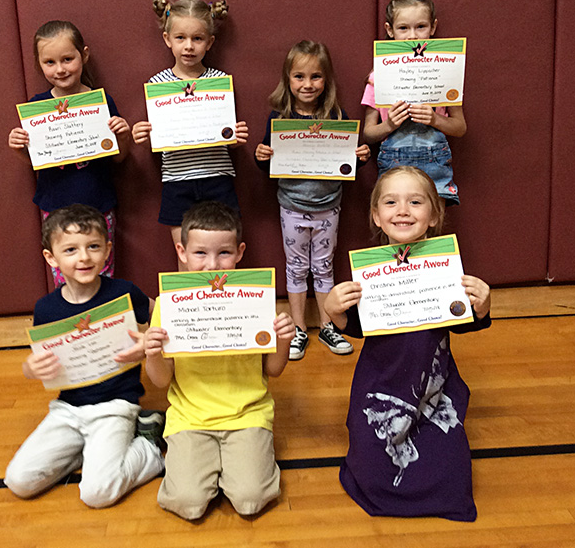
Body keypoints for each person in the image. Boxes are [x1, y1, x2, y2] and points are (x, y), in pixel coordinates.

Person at [324, 166, 491, 521]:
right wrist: (334, 310)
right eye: (391, 202)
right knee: (371, 466)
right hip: (380, 388)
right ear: (376, 216)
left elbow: (463, 324)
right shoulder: (369, 273)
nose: (403, 210)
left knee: (451, 469)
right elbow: (357, 327)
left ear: (433, 215)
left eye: (415, 202)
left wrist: (481, 305)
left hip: (434, 392)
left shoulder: (445, 268)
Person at [138, 201, 296, 520]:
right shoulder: (168, 306)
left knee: (251, 499)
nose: (212, 265)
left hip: (247, 414)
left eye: (224, 253)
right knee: (187, 503)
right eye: (200, 253)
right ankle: (198, 459)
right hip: (190, 417)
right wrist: (151, 352)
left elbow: (273, 371)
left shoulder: (256, 300)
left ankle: (237, 462)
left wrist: (283, 341)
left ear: (239, 252)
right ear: (181, 251)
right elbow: (161, 381)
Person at [4, 204, 164, 508]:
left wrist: (149, 343)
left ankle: (148, 444)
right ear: (52, 258)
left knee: (97, 494)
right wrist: (29, 369)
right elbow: (39, 363)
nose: (84, 257)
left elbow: (163, 315)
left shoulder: (124, 292)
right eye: (71, 250)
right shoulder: (46, 309)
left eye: (93, 247)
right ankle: (90, 450)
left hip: (116, 405)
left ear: (107, 250)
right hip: (68, 409)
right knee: (19, 481)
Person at [254, 40, 371, 360]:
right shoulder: (280, 117)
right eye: (299, 77)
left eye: (316, 77)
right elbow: (268, 163)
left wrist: (360, 157)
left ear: (327, 80)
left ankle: (328, 325)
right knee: (295, 267)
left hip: (328, 205)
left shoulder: (337, 116)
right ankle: (298, 329)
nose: (307, 84)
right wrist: (261, 155)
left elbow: (348, 162)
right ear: (288, 79)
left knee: (323, 266)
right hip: (292, 206)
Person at [8, 21, 131, 286]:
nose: (60, 69)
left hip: (97, 204)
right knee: (64, 273)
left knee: (101, 271)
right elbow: (35, 162)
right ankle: (71, 324)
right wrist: (19, 147)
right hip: (55, 206)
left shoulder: (101, 101)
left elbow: (118, 157)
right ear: (39, 64)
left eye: (67, 59)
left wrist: (123, 135)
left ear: (84, 55)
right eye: (50, 62)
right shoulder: (37, 107)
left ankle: (103, 323)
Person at [132, 0, 248, 264]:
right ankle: (186, 305)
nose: (188, 46)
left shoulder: (219, 82)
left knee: (222, 256)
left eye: (197, 38)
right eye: (181, 38)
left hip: (217, 176)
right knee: (186, 259)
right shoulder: (158, 84)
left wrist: (235, 138)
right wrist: (143, 137)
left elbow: (225, 134)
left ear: (210, 43)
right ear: (167, 39)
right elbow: (158, 140)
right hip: (177, 180)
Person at [362, 0, 467, 205]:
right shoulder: (378, 77)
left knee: (431, 227)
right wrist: (389, 124)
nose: (413, 36)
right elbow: (369, 133)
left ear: (433, 27)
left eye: (421, 27)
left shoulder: (447, 72)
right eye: (403, 28)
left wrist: (435, 119)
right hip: (394, 165)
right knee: (397, 226)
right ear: (390, 30)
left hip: (434, 166)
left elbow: (460, 127)